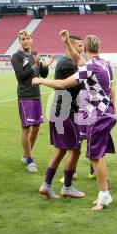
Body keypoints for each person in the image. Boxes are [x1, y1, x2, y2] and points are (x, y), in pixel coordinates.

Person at [33, 31, 116, 211]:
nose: (79, 50)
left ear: (85, 48)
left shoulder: (89, 66)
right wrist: (67, 43)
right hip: (89, 112)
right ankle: (67, 187)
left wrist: (40, 80)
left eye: (81, 47)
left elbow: (64, 83)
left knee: (92, 155)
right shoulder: (105, 63)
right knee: (80, 152)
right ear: (99, 47)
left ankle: (101, 195)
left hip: (96, 115)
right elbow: (80, 61)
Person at [39, 35, 85, 199]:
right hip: (65, 113)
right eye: (79, 46)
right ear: (70, 46)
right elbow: (80, 84)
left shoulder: (68, 62)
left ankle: (47, 185)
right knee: (75, 149)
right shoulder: (67, 63)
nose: (81, 49)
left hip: (61, 111)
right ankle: (67, 186)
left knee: (61, 150)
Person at [11, 30, 54, 172]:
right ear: (20, 41)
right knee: (26, 128)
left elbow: (42, 74)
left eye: (28, 38)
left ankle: (26, 155)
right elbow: (21, 77)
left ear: (32, 39)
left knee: (36, 127)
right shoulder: (16, 57)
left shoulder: (35, 54)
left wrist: (46, 65)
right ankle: (29, 159)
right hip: (25, 96)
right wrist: (35, 66)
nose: (26, 41)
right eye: (23, 39)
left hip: (36, 95)